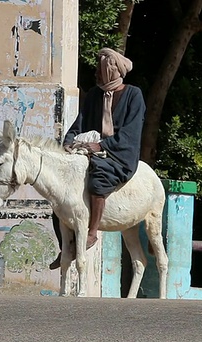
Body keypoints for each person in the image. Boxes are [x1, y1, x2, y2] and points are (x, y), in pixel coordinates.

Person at [49, 48, 146, 270]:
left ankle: (91, 233)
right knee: (59, 190)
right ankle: (66, 247)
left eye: (99, 70)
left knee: (99, 177)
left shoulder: (134, 95)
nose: (96, 74)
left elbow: (130, 134)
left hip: (118, 154)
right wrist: (68, 142)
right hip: (90, 150)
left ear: (110, 71)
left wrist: (102, 145)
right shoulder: (94, 94)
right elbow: (79, 124)